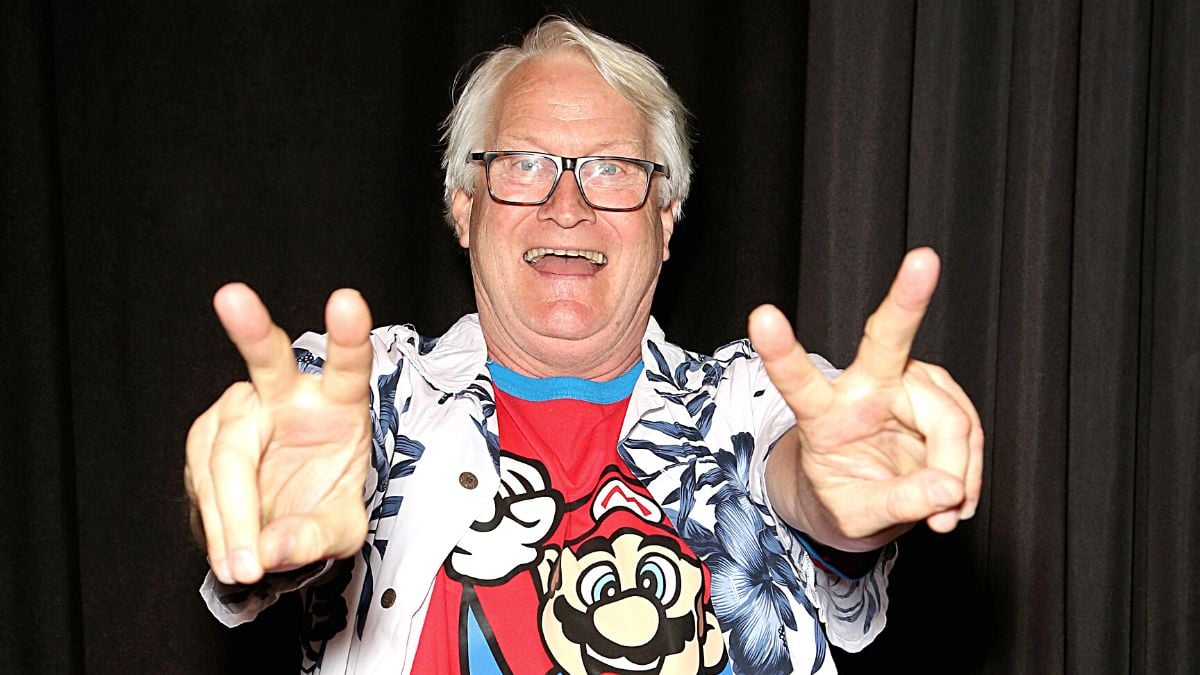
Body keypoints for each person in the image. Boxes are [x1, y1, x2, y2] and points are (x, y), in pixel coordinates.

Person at [185, 16, 983, 675]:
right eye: (524, 164)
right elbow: (301, 456)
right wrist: (259, 487)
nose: (567, 205)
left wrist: (833, 486)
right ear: (463, 208)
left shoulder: (749, 396)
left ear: (666, 220)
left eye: (612, 170)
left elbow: (799, 465)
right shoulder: (380, 388)